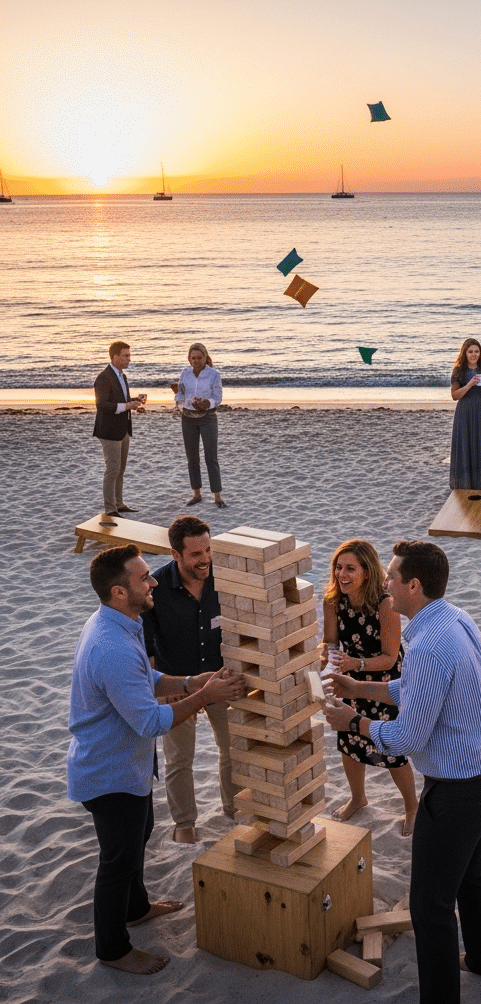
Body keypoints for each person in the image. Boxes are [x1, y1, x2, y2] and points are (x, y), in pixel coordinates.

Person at [323, 540, 481, 1004]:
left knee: (429, 906)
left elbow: (408, 739)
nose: (384, 583)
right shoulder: (452, 618)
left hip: (460, 790)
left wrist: (355, 722)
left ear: (414, 585)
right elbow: (417, 687)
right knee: (471, 873)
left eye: (390, 577)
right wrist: (360, 685)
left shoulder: (427, 644)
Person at [67, 544, 245, 974]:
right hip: (109, 773)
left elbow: (147, 677)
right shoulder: (111, 645)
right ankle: (113, 949)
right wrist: (205, 696)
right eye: (143, 578)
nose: (153, 583)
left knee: (138, 835)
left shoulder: (120, 622)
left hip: (128, 769)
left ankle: (137, 908)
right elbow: (150, 722)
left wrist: (189, 680)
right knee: (117, 861)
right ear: (118, 592)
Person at [142, 515, 239, 844]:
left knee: (232, 749)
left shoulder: (224, 579)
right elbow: (146, 649)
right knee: (179, 758)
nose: (206, 559)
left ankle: (234, 808)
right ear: (175, 554)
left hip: (220, 678)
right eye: (196, 554)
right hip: (176, 687)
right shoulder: (156, 590)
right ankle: (184, 823)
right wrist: (165, 687)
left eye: (208, 550)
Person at [319, 539, 418, 837]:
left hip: (383, 681)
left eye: (351, 568)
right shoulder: (333, 600)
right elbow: (331, 641)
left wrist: (355, 665)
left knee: (391, 750)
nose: (342, 574)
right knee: (348, 740)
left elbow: (390, 657)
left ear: (367, 571)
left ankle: (412, 805)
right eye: (339, 567)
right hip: (348, 675)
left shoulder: (385, 603)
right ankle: (358, 797)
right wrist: (327, 656)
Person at [93, 340, 146, 517]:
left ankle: (119, 503)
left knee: (120, 469)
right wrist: (126, 406)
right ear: (115, 357)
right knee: (112, 469)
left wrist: (133, 401)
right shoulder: (103, 377)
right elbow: (102, 405)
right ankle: (110, 509)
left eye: (129, 355)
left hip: (123, 428)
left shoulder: (122, 376)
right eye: (126, 356)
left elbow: (121, 398)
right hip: (109, 430)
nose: (129, 359)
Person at [175, 342, 226, 508]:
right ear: (189, 359)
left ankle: (217, 496)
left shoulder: (214, 374)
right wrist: (181, 407)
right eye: (193, 358)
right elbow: (180, 394)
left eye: (199, 357)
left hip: (208, 418)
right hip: (188, 418)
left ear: (205, 357)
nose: (196, 360)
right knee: (192, 458)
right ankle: (196, 494)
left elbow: (217, 397)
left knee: (211, 457)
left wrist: (207, 403)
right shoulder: (185, 373)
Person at [449, 338, 481, 490]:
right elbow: (454, 395)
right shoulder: (459, 370)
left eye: (476, 351)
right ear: (464, 353)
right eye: (470, 352)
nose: (473, 355)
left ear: (480, 353)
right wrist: (470, 384)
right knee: (466, 445)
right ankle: (465, 484)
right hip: (465, 411)